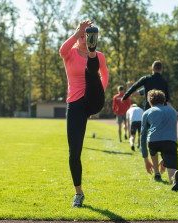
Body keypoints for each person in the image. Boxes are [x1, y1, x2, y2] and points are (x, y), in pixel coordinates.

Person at [59, 21, 109, 207]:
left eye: (86, 35)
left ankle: (92, 52)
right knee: (74, 151)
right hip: (75, 103)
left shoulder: (100, 57)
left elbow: (105, 75)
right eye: (81, 35)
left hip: (93, 97)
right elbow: (61, 50)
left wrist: (99, 94)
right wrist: (77, 31)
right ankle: (78, 193)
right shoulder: (69, 53)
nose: (82, 38)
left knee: (92, 69)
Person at [140, 89, 178, 191]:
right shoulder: (172, 111)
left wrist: (146, 160)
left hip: (153, 142)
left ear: (150, 102)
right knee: (172, 172)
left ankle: (157, 173)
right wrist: (165, 158)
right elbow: (168, 131)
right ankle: (174, 179)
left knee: (153, 148)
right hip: (170, 143)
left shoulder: (147, 112)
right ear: (164, 101)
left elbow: (143, 136)